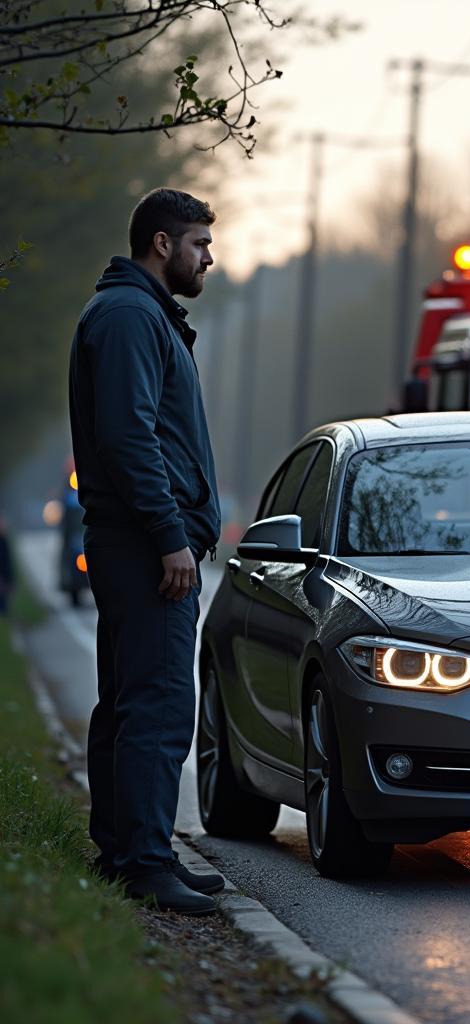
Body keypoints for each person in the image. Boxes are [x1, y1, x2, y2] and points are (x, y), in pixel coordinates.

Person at [68, 188, 225, 914]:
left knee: (132, 699)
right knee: (159, 704)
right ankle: (144, 862)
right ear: (161, 244)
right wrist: (171, 537)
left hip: (134, 541)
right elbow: (128, 438)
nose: (208, 258)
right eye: (198, 244)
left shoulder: (137, 313)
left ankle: (126, 851)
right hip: (144, 545)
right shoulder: (133, 316)